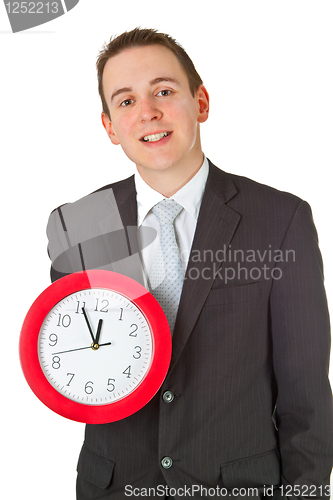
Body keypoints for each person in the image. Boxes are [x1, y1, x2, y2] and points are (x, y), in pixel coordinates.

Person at [47, 28, 333, 499]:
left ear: (201, 102)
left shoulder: (280, 219)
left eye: (164, 91)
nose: (147, 112)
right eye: (125, 101)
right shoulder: (78, 224)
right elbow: (80, 367)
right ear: (109, 127)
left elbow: (306, 397)